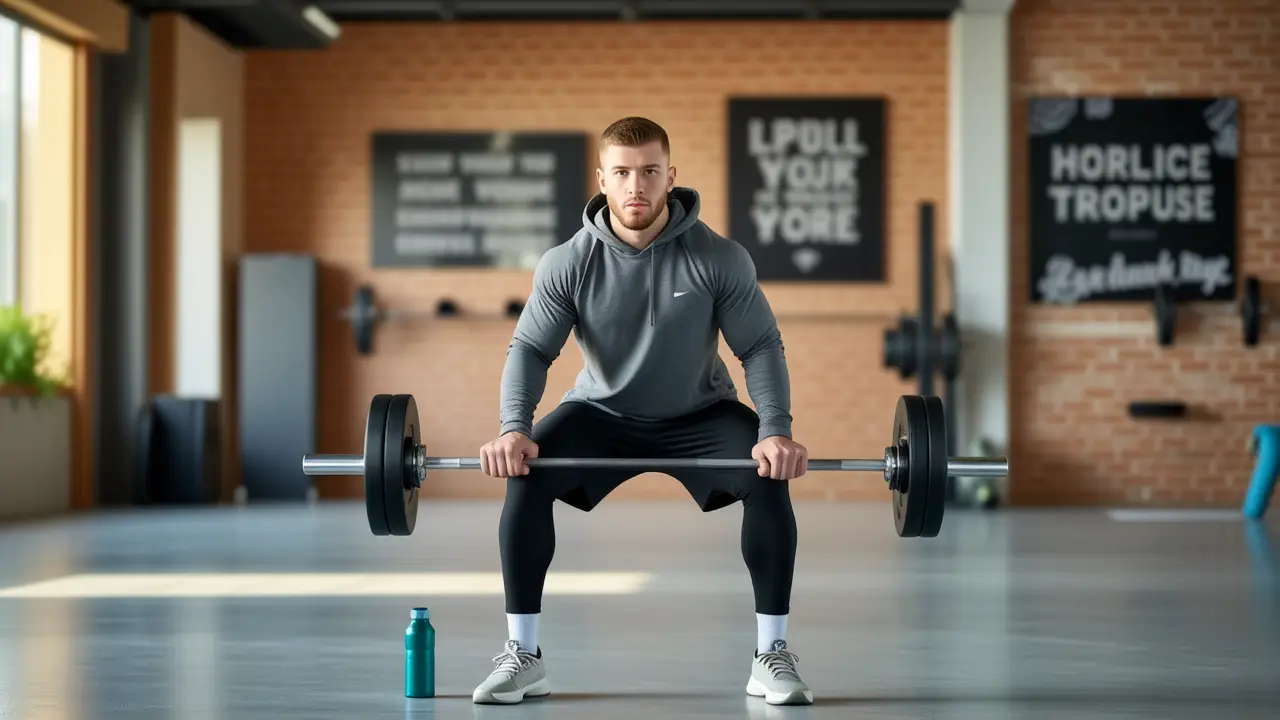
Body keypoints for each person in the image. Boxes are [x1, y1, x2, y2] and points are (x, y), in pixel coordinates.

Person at [471, 116, 813, 707]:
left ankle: (771, 656)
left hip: (702, 414)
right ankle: (522, 656)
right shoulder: (568, 263)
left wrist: (775, 430)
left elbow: (759, 346)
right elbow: (529, 348)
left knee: (767, 475)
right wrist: (513, 429)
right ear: (602, 179)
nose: (637, 186)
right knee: (526, 475)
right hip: (600, 413)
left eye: (650, 171)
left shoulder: (718, 257)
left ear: (670, 177)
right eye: (623, 173)